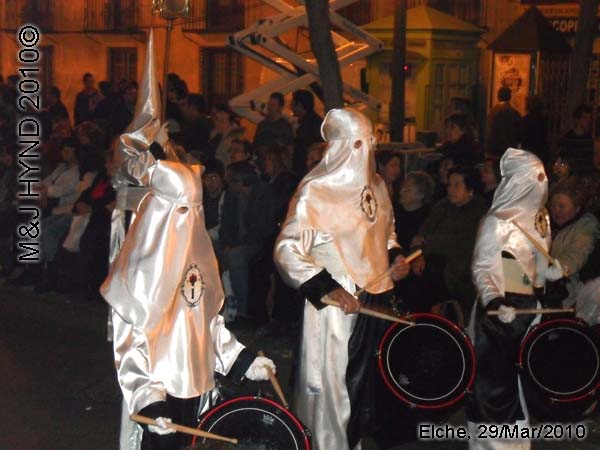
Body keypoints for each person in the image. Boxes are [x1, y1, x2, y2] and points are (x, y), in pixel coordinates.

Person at [274, 108, 410, 450]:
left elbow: (386, 233)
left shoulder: (377, 185)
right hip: (337, 307)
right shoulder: (315, 191)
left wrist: (395, 257)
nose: (368, 151)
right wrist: (327, 287)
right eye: (360, 144)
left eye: (372, 143)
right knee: (334, 390)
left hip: (377, 297)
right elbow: (287, 249)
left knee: (367, 389)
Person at [467, 148, 564, 450]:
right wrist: (495, 302)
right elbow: (483, 268)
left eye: (543, 175)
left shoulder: (541, 218)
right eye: (534, 177)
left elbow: (534, 262)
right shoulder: (497, 221)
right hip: (498, 317)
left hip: (527, 312)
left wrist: (548, 273)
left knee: (522, 386)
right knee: (496, 389)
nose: (542, 182)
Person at [410, 166, 487, 316]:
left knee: (432, 278)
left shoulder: (478, 212)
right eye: (449, 185)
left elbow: (458, 242)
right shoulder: (442, 207)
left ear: (469, 189)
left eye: (457, 185)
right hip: (433, 264)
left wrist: (426, 243)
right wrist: (417, 254)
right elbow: (420, 235)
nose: (450, 189)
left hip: (461, 269)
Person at [291, 89, 323, 176]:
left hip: (307, 169)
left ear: (300, 105)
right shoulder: (311, 120)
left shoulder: (310, 123)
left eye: (293, 104)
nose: (291, 107)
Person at [253, 92, 294, 159]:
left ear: (280, 107)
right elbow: (255, 144)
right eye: (269, 104)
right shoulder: (262, 125)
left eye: (273, 105)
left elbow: (289, 148)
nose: (269, 107)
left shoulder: (286, 126)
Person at [485, 87, 521, 158]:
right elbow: (518, 132)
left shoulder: (492, 112)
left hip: (494, 150)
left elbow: (489, 131)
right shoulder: (514, 112)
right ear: (510, 97)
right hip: (509, 150)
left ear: (498, 96)